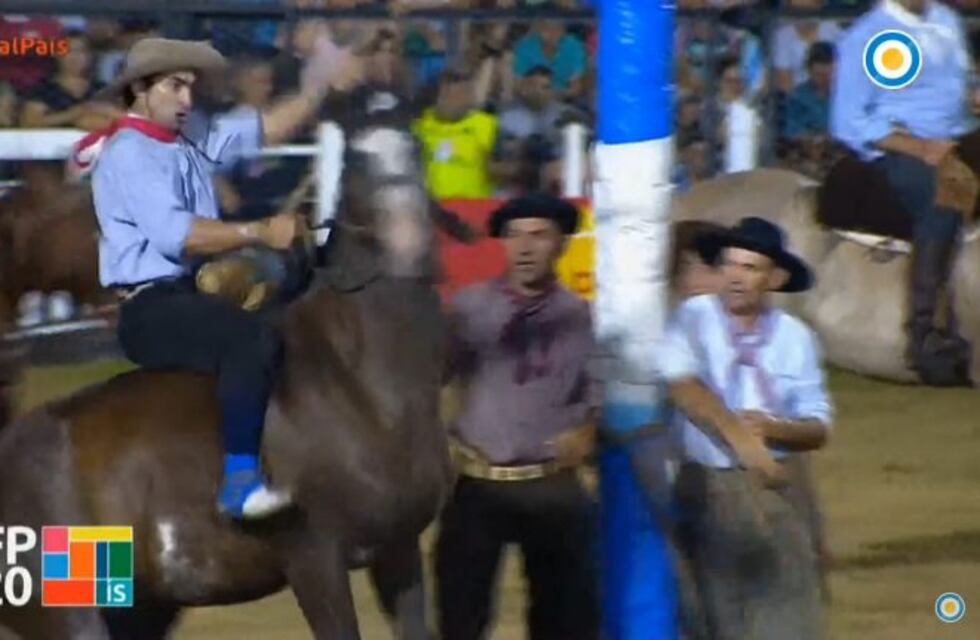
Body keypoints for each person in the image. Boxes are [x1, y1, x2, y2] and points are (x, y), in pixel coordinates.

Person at [83, 36, 363, 520]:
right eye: (176, 86)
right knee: (247, 340)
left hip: (188, 291)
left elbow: (267, 127)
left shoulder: (186, 140)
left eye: (191, 87)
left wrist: (317, 85)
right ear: (142, 90)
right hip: (152, 308)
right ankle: (239, 482)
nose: (188, 99)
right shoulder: (129, 153)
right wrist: (257, 231)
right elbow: (178, 236)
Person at [658, 216, 833, 639]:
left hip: (779, 484)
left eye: (749, 268)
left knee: (791, 615)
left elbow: (818, 426)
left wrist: (777, 429)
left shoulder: (797, 339)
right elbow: (683, 384)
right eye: (728, 266)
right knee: (712, 615)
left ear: (774, 279)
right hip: (704, 483)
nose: (735, 278)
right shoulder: (690, 319)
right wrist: (743, 440)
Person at [437, 193, 600, 640]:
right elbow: (429, 377)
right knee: (460, 620)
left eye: (539, 235)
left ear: (562, 245)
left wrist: (589, 428)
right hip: (478, 483)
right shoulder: (467, 309)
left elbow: (602, 395)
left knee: (565, 623)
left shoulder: (582, 317)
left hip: (552, 486)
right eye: (513, 236)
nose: (525, 247)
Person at [829, 0, 973, 384]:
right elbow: (849, 120)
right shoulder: (868, 35)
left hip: (955, 137)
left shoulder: (946, 21)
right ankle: (926, 336)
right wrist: (921, 147)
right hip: (898, 147)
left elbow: (955, 89)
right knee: (944, 199)